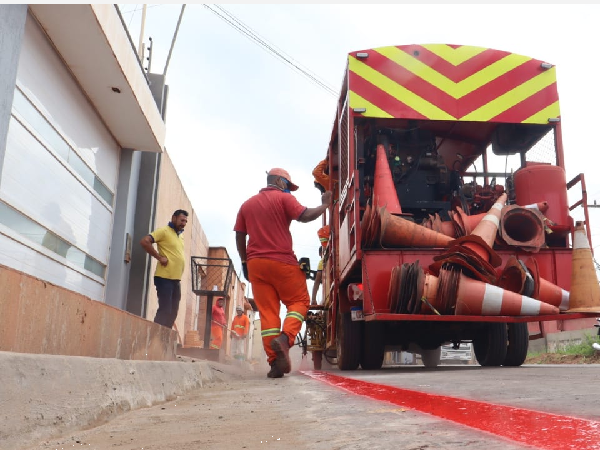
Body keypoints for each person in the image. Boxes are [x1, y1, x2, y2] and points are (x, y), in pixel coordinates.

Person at [234, 167, 332, 378]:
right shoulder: (283, 199)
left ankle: (274, 362)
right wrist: (325, 204)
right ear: (279, 182)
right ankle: (286, 339)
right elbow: (305, 215)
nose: (289, 190)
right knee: (299, 302)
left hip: (256, 265)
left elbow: (240, 236)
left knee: (268, 312)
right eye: (288, 185)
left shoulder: (247, 205)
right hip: (282, 261)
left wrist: (244, 261)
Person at [140, 209, 188, 328]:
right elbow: (145, 241)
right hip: (164, 277)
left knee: (173, 312)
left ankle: (164, 340)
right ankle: (153, 338)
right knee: (165, 310)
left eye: (186, 221)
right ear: (174, 218)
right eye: (182, 220)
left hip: (176, 279)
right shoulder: (164, 231)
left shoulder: (180, 236)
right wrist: (159, 257)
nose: (184, 223)